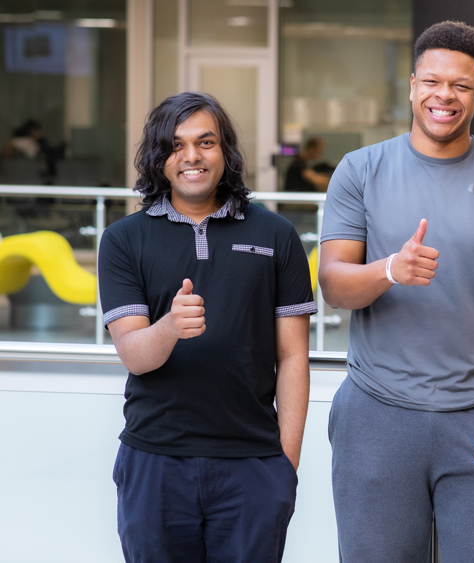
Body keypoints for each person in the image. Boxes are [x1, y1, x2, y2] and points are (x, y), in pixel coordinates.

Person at [319, 20, 474, 562]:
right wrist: (390, 271)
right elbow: (334, 284)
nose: (443, 95)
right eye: (431, 81)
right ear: (411, 86)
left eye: (460, 85)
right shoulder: (360, 171)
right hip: (377, 415)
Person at [98, 92, 316, 562]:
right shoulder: (122, 240)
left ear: (226, 152)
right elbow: (135, 354)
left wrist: (285, 466)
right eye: (175, 146)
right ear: (158, 157)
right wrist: (171, 326)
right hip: (155, 460)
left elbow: (293, 356)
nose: (191, 157)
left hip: (252, 463)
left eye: (206, 142)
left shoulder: (276, 235)